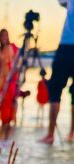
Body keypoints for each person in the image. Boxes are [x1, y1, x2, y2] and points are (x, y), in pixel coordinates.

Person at [41, 0, 74, 144]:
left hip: (66, 46)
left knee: (55, 91)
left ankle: (50, 135)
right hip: (66, 46)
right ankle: (71, 134)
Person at [0, 29, 19, 135]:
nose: (5, 37)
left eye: (6, 35)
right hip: (3, 78)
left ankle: (11, 120)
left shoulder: (13, 47)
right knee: (4, 100)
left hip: (12, 77)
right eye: (3, 35)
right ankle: (4, 121)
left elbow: (18, 61)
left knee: (11, 99)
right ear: (0, 37)